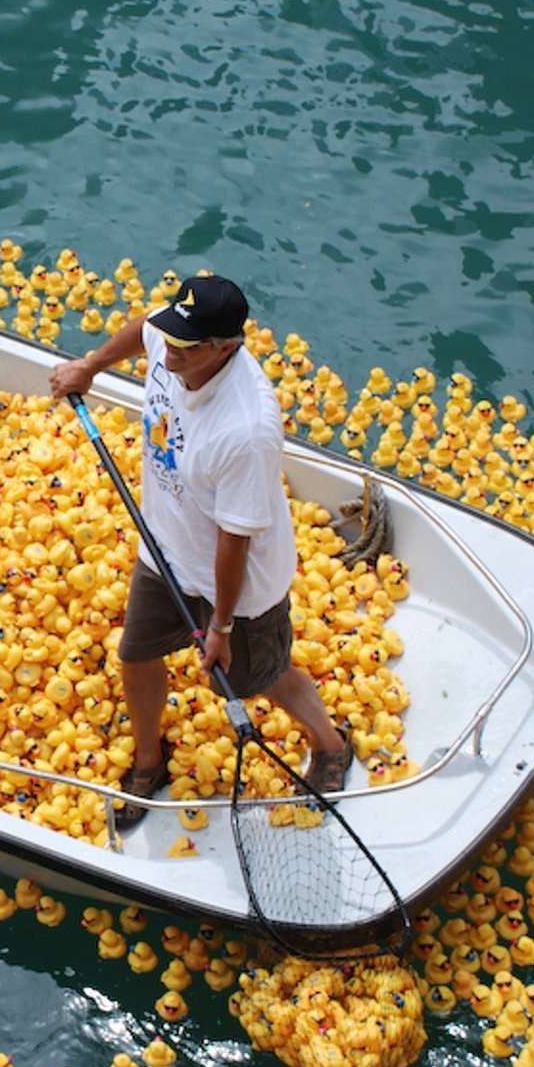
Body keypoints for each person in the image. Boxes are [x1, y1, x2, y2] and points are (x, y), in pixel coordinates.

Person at [50, 274, 352, 824]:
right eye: (172, 337)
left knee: (263, 677)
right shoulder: (174, 343)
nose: (169, 354)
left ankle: (331, 743)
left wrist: (222, 627)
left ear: (226, 348)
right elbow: (146, 327)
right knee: (135, 653)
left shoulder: (246, 428)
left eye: (186, 347)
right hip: (164, 551)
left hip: (239, 587)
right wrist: (90, 366)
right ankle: (149, 761)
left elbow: (233, 541)